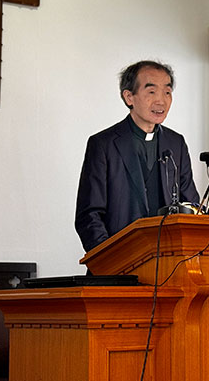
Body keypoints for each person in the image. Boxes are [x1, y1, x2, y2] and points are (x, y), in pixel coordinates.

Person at [75, 60, 199, 252]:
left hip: (169, 259)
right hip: (120, 259)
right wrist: (108, 257)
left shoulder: (176, 144)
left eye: (167, 92)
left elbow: (190, 206)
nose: (161, 101)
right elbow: (89, 215)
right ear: (129, 97)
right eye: (151, 92)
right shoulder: (103, 144)